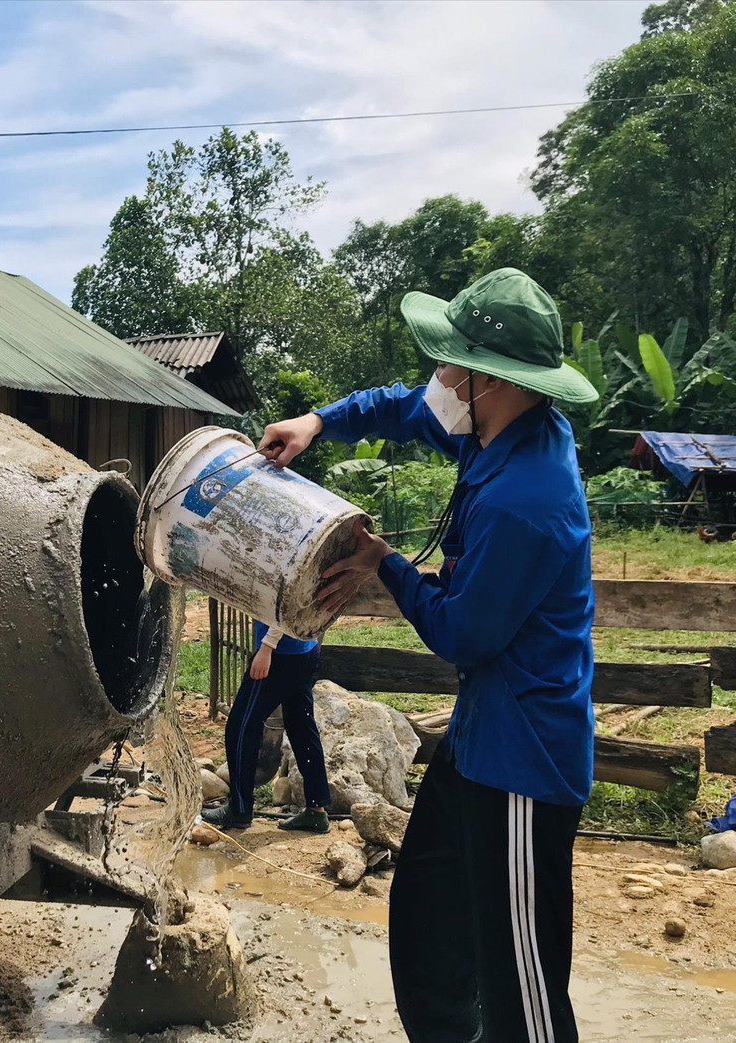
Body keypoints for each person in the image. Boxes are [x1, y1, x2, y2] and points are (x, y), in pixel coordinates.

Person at [262, 268, 598, 1043]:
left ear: (489, 377)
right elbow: (404, 408)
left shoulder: (530, 499)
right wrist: (318, 419)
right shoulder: (498, 427)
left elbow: (461, 635)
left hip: (523, 763)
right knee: (428, 915)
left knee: (524, 990)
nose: (436, 378)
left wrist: (385, 562)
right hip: (484, 735)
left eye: (449, 363)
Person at [202, 620, 332, 834]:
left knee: (241, 726)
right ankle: (317, 810)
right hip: (305, 649)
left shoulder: (274, 647)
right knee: (302, 728)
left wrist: (266, 648)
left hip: (281, 653)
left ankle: (240, 809)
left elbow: (286, 606)